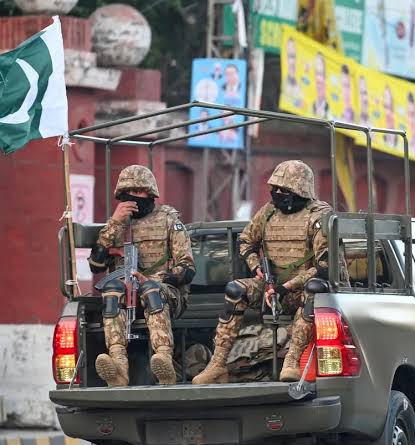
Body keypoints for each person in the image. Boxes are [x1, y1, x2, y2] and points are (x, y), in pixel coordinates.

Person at [192, 160, 343, 385]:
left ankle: (292, 361)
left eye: (284, 189)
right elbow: (245, 241)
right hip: (271, 287)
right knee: (235, 289)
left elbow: (324, 266)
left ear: (299, 190)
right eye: (275, 188)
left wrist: (286, 287)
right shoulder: (268, 212)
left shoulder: (319, 215)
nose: (277, 193)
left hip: (303, 288)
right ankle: (217, 364)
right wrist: (257, 267)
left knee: (315, 289)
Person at [88, 165, 196, 387]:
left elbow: (187, 269)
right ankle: (119, 367)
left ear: (150, 193)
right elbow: (96, 265)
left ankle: (164, 360)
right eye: (129, 192)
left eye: (139, 192)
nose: (134, 197)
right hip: (127, 296)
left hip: (166, 294)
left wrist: (157, 279)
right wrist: (114, 223)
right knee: (111, 290)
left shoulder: (168, 219)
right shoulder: (116, 225)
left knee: (150, 289)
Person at [312, 52, 329, 119]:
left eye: (320, 73)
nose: (318, 79)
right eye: (316, 73)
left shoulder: (329, 108)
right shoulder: (311, 105)